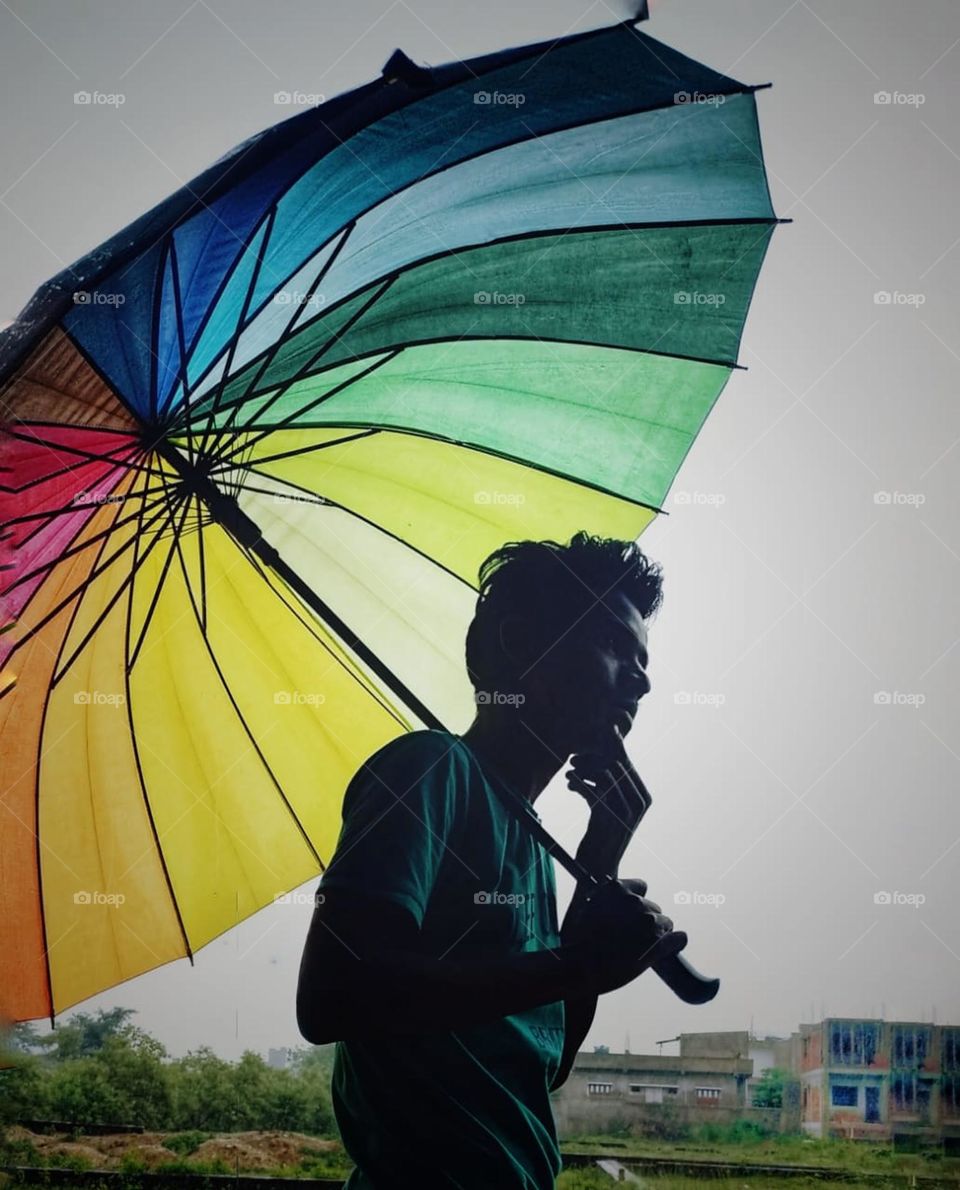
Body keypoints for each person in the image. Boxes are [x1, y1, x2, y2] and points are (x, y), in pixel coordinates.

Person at [296, 531, 688, 1188]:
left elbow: (542, 1060)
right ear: (518, 645)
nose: (643, 680)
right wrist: (579, 963)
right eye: (616, 646)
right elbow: (336, 996)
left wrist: (600, 862)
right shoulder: (430, 769)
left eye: (644, 659)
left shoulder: (533, 841)